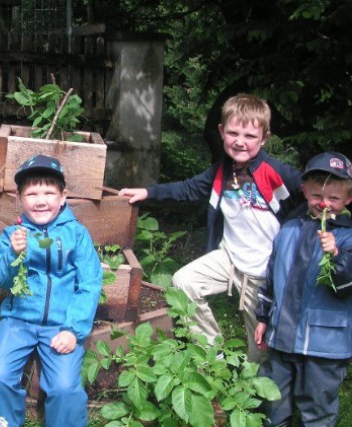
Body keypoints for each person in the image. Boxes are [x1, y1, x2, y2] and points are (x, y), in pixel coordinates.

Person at [118, 93, 301, 363]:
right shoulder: (221, 171)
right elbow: (188, 188)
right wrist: (147, 192)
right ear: (221, 132)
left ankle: (252, 393)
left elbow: (311, 196)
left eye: (250, 136)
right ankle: (213, 354)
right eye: (233, 133)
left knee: (260, 353)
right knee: (183, 282)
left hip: (264, 274)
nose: (240, 141)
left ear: (264, 138)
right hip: (229, 259)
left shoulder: (278, 173)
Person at [0, 155, 103, 427]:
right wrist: (14, 254)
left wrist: (73, 329)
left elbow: (90, 283)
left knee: (65, 388)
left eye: (49, 192)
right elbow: (2, 280)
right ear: (20, 198)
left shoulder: (77, 235)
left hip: (60, 326)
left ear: (63, 196)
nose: (40, 200)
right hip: (17, 321)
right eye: (31, 193)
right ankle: (3, 423)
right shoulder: (13, 234)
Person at [254, 152, 352, 426]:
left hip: (324, 347)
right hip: (282, 337)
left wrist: (337, 256)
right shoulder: (289, 228)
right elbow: (272, 276)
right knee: (272, 401)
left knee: (317, 407)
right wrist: (262, 317)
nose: (324, 204)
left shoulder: (348, 237)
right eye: (317, 195)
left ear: (349, 199)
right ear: (304, 191)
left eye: (334, 199)